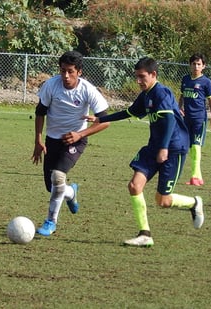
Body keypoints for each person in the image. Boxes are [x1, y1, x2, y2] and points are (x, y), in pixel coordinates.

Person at [84, 57, 204, 247]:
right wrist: (101, 119)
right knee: (134, 186)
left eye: (142, 77)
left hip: (173, 148)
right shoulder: (145, 95)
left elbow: (170, 121)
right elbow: (129, 113)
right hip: (154, 146)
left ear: (153, 74)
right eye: (136, 77)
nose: (138, 81)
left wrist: (164, 147)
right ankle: (145, 234)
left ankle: (194, 203)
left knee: (162, 201)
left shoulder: (161, 93)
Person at [32, 50, 110, 236]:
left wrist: (80, 134)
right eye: (63, 71)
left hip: (76, 140)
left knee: (58, 177)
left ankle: (51, 222)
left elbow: (106, 121)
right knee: (52, 188)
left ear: (79, 72)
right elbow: (40, 113)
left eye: (70, 71)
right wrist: (38, 140)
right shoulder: (51, 85)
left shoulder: (88, 90)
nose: (66, 76)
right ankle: (71, 193)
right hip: (52, 140)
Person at [179, 53, 211, 186]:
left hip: (199, 118)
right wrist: (179, 108)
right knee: (187, 146)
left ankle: (195, 176)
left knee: (196, 146)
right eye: (194, 64)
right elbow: (182, 96)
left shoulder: (206, 82)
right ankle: (197, 177)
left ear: (203, 66)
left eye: (199, 64)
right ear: (190, 65)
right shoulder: (185, 79)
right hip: (186, 118)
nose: (196, 66)